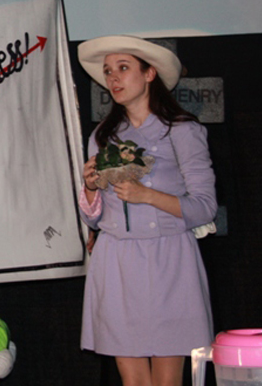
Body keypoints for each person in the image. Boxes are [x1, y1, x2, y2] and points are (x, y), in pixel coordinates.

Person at [76, 35, 217, 386]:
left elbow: (205, 207)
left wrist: (148, 196)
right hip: (117, 260)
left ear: (149, 73)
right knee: (133, 380)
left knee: (167, 380)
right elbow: (93, 217)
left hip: (169, 258)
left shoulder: (182, 131)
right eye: (108, 71)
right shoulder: (102, 137)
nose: (113, 78)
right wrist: (90, 187)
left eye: (123, 68)